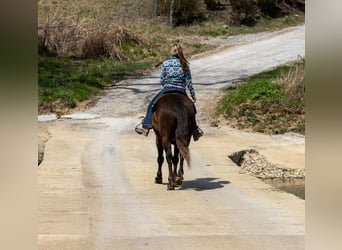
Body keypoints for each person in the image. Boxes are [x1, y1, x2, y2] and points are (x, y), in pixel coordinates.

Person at [135, 44, 203, 141]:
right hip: (181, 90)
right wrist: (193, 95)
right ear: (180, 52)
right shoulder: (185, 64)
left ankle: (146, 126)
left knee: (151, 105)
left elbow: (162, 79)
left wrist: (166, 85)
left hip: (167, 89)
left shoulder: (166, 63)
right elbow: (189, 82)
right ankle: (195, 131)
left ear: (171, 52)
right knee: (192, 109)